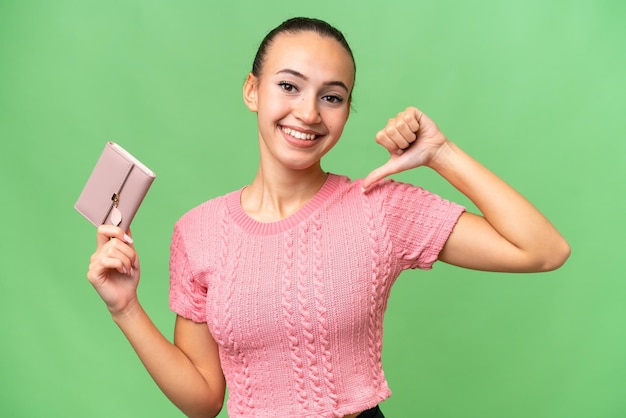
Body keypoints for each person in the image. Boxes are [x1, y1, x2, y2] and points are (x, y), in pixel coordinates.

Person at [86, 17, 570, 418]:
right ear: (253, 90)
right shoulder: (196, 232)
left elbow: (544, 250)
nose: (309, 112)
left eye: (332, 97)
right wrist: (124, 308)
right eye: (289, 86)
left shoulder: (378, 206)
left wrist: (440, 153)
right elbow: (203, 401)